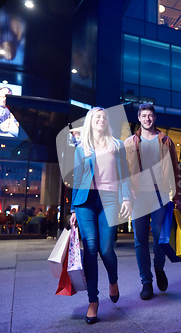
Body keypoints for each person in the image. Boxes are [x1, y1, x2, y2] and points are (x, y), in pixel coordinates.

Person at [70, 107, 132, 324]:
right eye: (97, 117)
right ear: (90, 121)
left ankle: (113, 280)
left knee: (106, 249)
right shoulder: (81, 148)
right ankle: (93, 300)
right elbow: (77, 180)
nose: (101, 120)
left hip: (109, 201)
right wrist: (72, 209)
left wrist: (126, 199)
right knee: (90, 247)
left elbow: (124, 174)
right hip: (85, 203)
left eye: (104, 117)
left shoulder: (117, 145)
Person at [124, 103, 180, 300]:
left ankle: (159, 268)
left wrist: (179, 196)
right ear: (139, 118)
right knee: (140, 241)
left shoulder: (166, 141)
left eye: (150, 115)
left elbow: (175, 169)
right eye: (143, 115)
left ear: (154, 118)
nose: (147, 119)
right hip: (139, 196)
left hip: (161, 195)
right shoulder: (129, 143)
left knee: (159, 236)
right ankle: (146, 282)